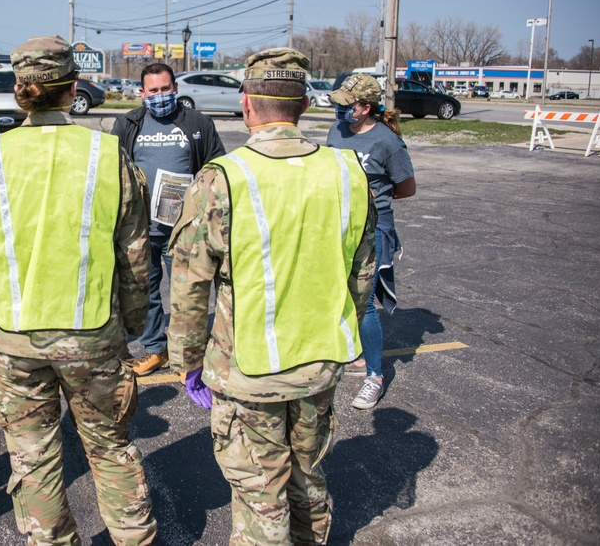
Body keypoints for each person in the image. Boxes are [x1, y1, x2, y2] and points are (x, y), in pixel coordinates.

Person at [0, 36, 157, 546]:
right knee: (110, 447)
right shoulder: (106, 152)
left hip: (9, 338)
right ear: (71, 90)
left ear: (21, 91)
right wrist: (132, 325)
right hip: (91, 335)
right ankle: (133, 536)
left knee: (32, 456)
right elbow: (134, 251)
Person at [168, 48, 377, 546]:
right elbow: (362, 272)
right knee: (308, 478)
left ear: (247, 106)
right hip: (321, 359)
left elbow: (192, 281)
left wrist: (187, 359)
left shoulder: (224, 177)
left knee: (262, 492)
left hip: (249, 369)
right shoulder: (348, 170)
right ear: (304, 105)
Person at [112, 62, 225, 377]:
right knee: (145, 292)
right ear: (142, 92)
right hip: (141, 229)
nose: (160, 96)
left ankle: (187, 355)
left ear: (175, 89)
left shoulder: (197, 123)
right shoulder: (128, 124)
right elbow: (114, 171)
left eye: (165, 89)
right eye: (153, 91)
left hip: (184, 229)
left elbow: (217, 170)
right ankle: (155, 349)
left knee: (187, 293)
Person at [327, 73, 416, 410]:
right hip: (339, 226)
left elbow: (407, 188)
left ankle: (375, 376)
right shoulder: (336, 131)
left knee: (365, 308)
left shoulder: (386, 142)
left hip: (374, 230)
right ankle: (359, 358)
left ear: (364, 108)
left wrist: (370, 198)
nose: (339, 110)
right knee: (341, 297)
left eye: (346, 104)